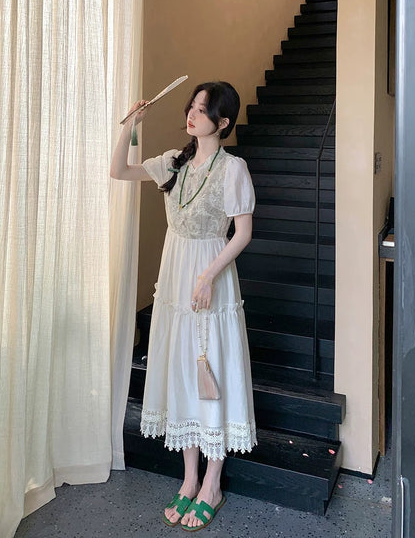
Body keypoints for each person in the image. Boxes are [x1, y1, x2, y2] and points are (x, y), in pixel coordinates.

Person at [110, 81, 257, 531]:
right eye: (191, 106)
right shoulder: (174, 162)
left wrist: (208, 276)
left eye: (202, 109)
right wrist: (132, 126)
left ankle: (212, 483)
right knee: (180, 370)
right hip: (174, 277)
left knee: (211, 369)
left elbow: (243, 233)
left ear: (223, 122)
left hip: (210, 274)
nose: (191, 114)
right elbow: (119, 171)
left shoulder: (233, 169)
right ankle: (189, 478)